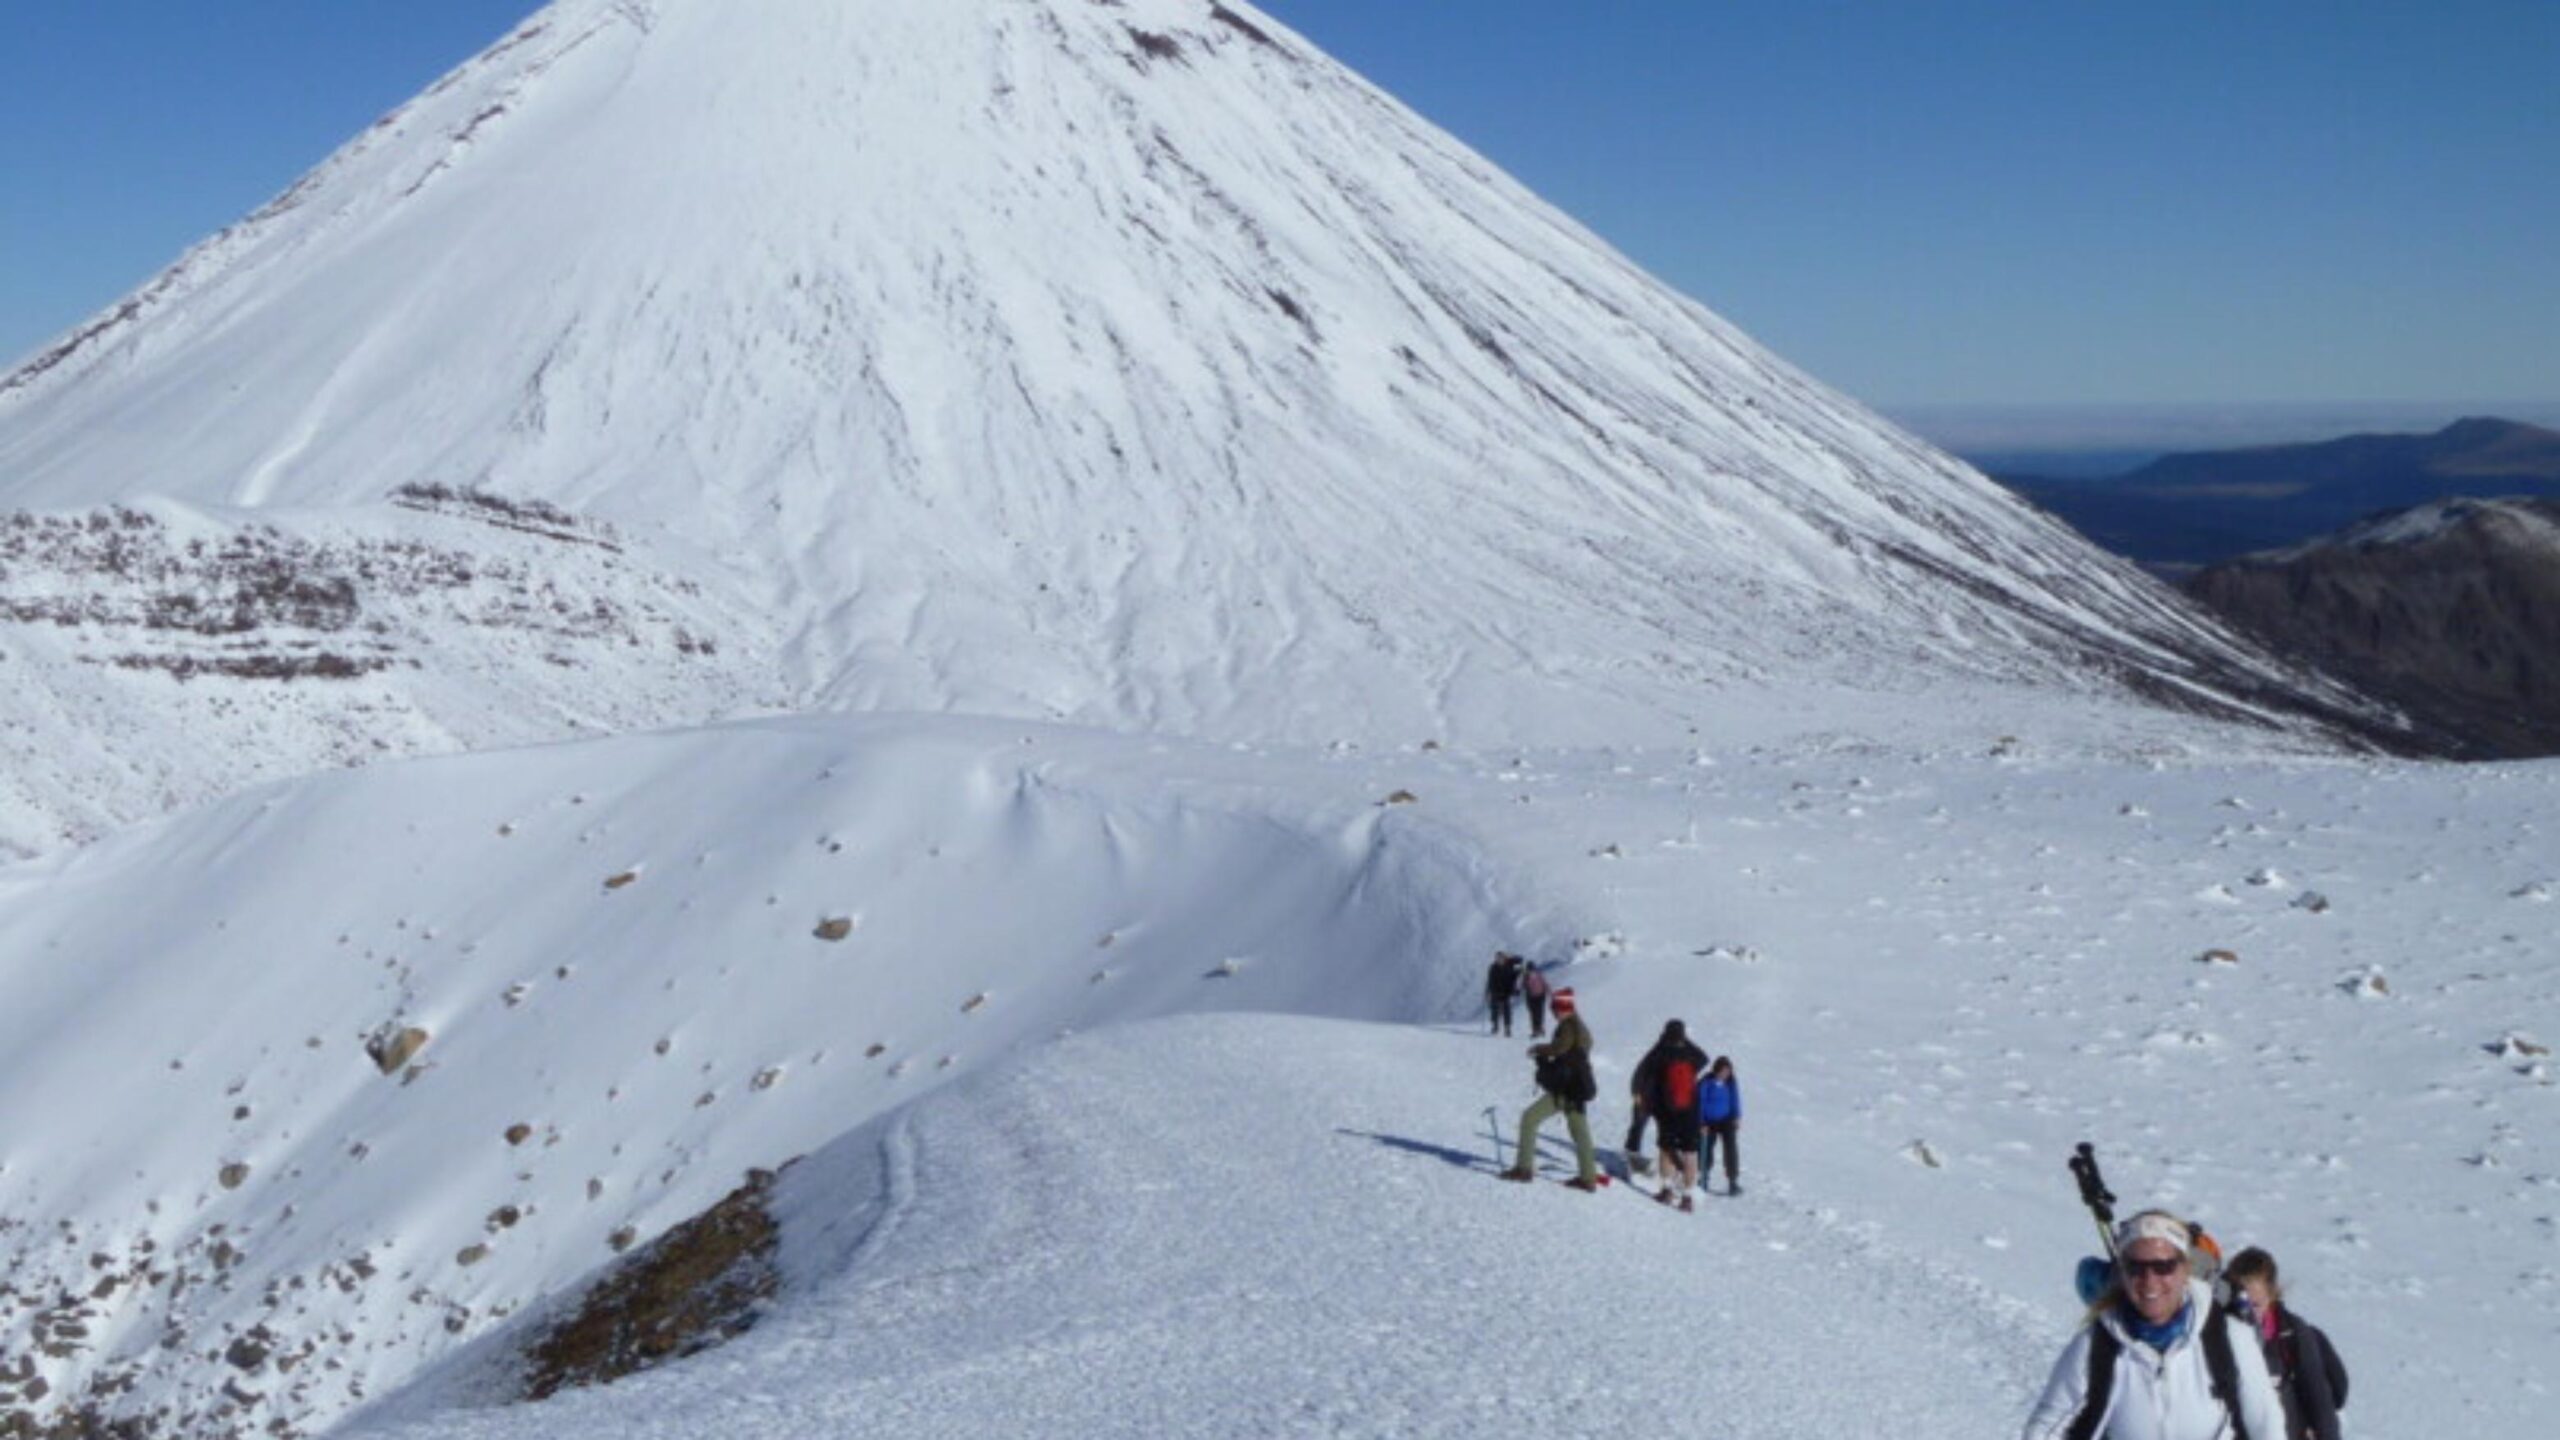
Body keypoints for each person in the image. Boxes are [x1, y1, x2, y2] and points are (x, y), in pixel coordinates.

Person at [2022, 1210, 2284, 1440]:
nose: (2149, 1280)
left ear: (2185, 1269)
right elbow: (2047, 1426)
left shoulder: (2229, 1338)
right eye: (2135, 1267)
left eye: (2163, 1266)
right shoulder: (2097, 1346)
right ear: (2121, 1273)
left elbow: (2265, 1424)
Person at [2226, 1247, 2349, 1440]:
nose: (2248, 1314)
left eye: (2256, 1305)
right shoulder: (2219, 1334)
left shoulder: (2292, 1335)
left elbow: (2320, 1402)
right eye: (2240, 1304)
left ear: (2272, 1294)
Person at [1500, 986, 1599, 1190]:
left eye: (1555, 1008)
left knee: (1529, 1118)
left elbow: (1560, 1048)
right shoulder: (1581, 1027)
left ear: (1562, 1008)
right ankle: (1588, 1177)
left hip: (1565, 1087)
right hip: (1579, 1086)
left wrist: (1539, 1049)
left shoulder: (1568, 1026)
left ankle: (1523, 1168)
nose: (1553, 1013)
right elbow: (1578, 1049)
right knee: (1580, 1131)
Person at [1639, 1021, 1708, 1211]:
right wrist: (1686, 1041)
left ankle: (1667, 1190)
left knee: (1666, 1149)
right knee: (1690, 1153)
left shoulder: (1661, 1052)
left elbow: (1646, 1072)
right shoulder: (1692, 1054)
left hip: (1668, 1110)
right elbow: (1704, 1058)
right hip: (1690, 1110)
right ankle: (1687, 1198)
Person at [1697, 1055, 1742, 1196]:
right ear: (1716, 1070)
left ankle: (1732, 1180)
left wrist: (1737, 1116)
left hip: (1726, 1120)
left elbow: (1735, 1099)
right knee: (1706, 1149)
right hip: (1708, 1122)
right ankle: (1704, 1177)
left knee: (1731, 1148)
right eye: (1723, 1071)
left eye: (1728, 1071)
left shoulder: (1731, 1083)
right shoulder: (1706, 1082)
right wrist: (1701, 1122)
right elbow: (1699, 1102)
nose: (1725, 1074)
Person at [1484, 951, 1524, 1036]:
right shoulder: (1493, 968)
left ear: (1504, 958)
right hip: (1496, 991)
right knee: (1495, 1010)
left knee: (1507, 1011)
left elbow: (1518, 962)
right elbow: (1490, 980)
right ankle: (1495, 1026)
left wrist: (1518, 972)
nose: (1499, 960)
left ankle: (1507, 1028)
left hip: (1506, 992)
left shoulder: (1508, 966)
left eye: (1500, 958)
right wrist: (1488, 991)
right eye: (1497, 958)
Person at [1521, 964, 1551, 1038]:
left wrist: (1549, 992)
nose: (1530, 971)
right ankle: (1538, 1029)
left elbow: (1544, 984)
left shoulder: (1531, 976)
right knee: (1537, 1013)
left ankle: (1537, 1029)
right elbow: (1545, 984)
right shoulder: (1534, 975)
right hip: (1535, 997)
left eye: (1530, 969)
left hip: (1535, 997)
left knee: (1536, 1014)